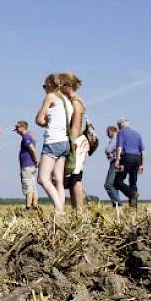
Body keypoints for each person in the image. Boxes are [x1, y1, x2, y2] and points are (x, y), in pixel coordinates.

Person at [35, 73, 71, 213]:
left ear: (50, 85)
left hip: (53, 141)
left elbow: (39, 119)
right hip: (64, 142)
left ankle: (59, 209)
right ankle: (60, 211)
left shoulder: (50, 96)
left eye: (45, 86)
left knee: (43, 179)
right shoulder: (66, 101)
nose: (44, 89)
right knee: (59, 180)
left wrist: (45, 123)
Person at [58, 72, 90, 210]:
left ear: (67, 85)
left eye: (60, 85)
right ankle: (76, 209)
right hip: (75, 141)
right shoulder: (73, 101)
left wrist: (72, 145)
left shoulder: (76, 102)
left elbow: (76, 126)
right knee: (72, 179)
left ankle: (79, 210)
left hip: (77, 142)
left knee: (76, 177)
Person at [113, 118, 145, 208]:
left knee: (117, 181)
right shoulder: (137, 134)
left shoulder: (121, 133)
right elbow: (143, 151)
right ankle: (133, 206)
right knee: (133, 182)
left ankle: (132, 194)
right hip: (137, 158)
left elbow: (119, 146)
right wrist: (142, 164)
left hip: (127, 157)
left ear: (120, 126)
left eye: (119, 127)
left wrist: (118, 159)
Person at [14, 121, 38, 209]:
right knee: (32, 186)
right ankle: (35, 205)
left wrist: (36, 159)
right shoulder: (29, 136)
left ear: (22, 128)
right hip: (31, 166)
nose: (16, 131)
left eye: (17, 128)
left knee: (27, 186)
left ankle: (28, 206)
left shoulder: (25, 137)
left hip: (27, 166)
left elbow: (31, 148)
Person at [103, 126, 122, 207]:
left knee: (108, 185)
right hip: (120, 162)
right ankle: (117, 205)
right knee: (114, 185)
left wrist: (108, 153)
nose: (107, 135)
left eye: (107, 133)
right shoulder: (120, 138)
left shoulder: (115, 139)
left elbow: (108, 150)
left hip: (115, 162)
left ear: (111, 131)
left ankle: (117, 203)